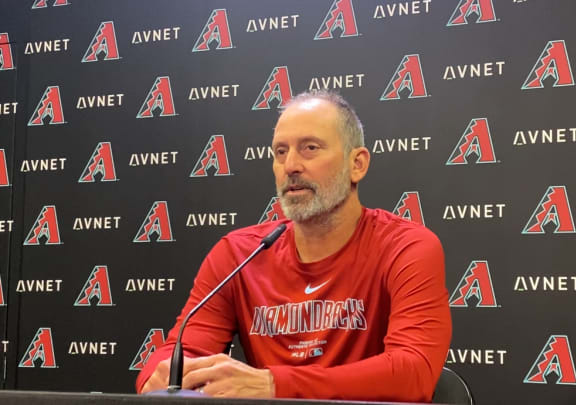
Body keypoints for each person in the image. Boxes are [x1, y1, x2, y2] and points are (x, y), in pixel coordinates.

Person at [136, 91, 451, 401]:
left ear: (357, 164)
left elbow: (413, 373)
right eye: (280, 152)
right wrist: (161, 375)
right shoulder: (238, 253)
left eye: (310, 148)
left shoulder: (406, 247)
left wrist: (274, 385)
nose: (290, 166)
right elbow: (178, 351)